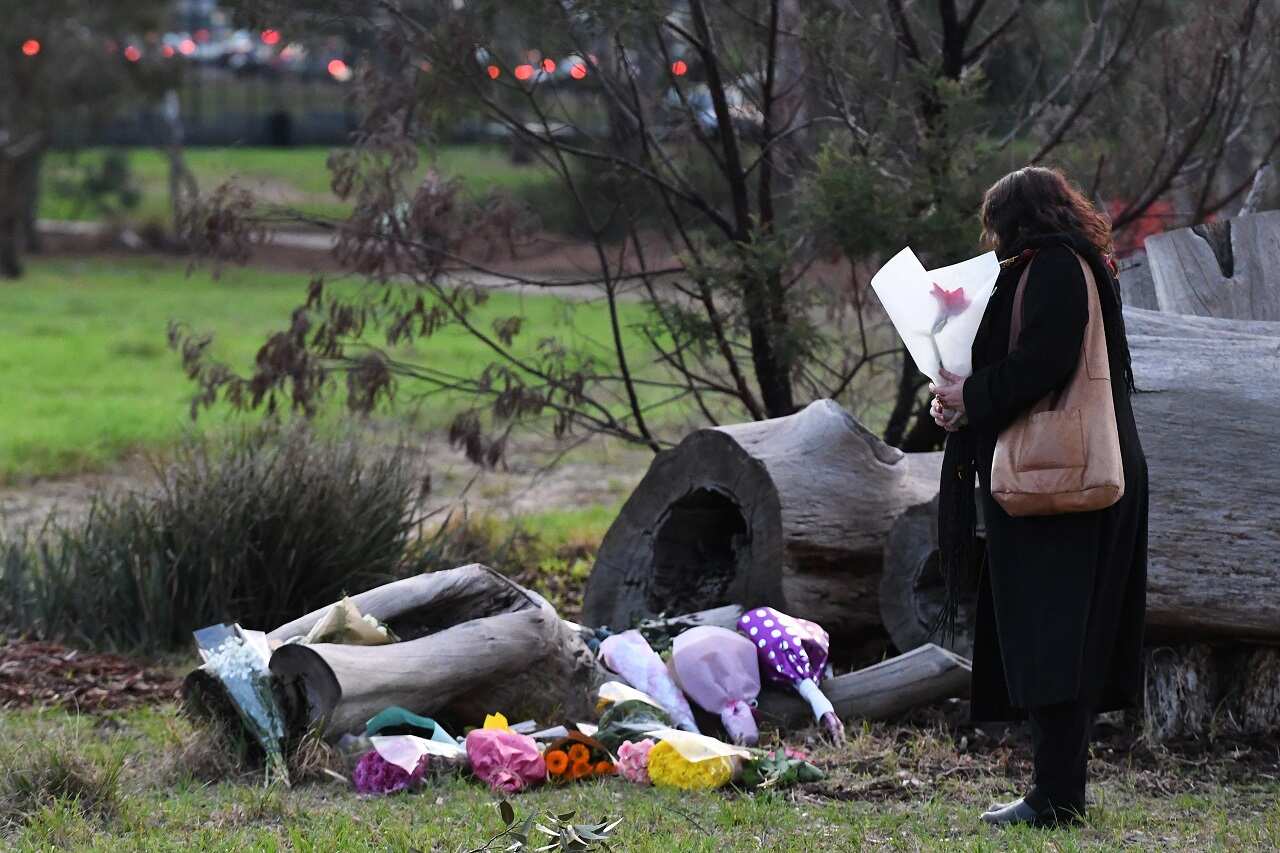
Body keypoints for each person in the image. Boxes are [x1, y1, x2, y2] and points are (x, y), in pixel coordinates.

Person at [929, 166, 1149, 827]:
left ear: (1016, 220)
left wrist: (975, 396)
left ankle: (1056, 796)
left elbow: (1043, 362)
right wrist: (961, 405)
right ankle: (1057, 791)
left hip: (1064, 486)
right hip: (1067, 480)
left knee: (1058, 640)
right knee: (1061, 639)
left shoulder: (1053, 268)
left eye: (998, 225)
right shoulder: (1070, 263)